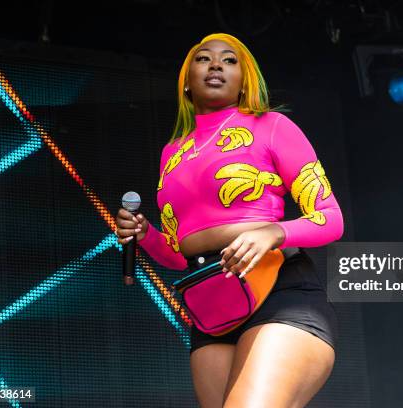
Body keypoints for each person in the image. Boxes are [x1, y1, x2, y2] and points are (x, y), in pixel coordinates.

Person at [115, 33, 344, 408]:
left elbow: (330, 219)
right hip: (211, 308)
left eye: (230, 60)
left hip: (279, 294)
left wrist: (274, 232)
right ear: (187, 80)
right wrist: (146, 234)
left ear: (245, 81)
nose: (217, 64)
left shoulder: (272, 126)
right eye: (204, 59)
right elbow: (178, 254)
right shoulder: (172, 152)